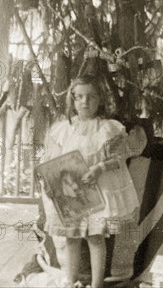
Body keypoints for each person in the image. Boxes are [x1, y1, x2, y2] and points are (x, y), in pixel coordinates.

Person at [41, 75, 141, 288]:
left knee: (96, 238)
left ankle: (96, 285)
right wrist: (51, 183)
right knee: (72, 237)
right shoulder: (63, 129)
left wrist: (98, 168)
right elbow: (52, 162)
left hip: (100, 190)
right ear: (72, 100)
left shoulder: (107, 128)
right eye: (79, 97)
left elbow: (118, 159)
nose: (85, 102)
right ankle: (70, 280)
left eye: (91, 97)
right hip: (72, 193)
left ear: (100, 100)